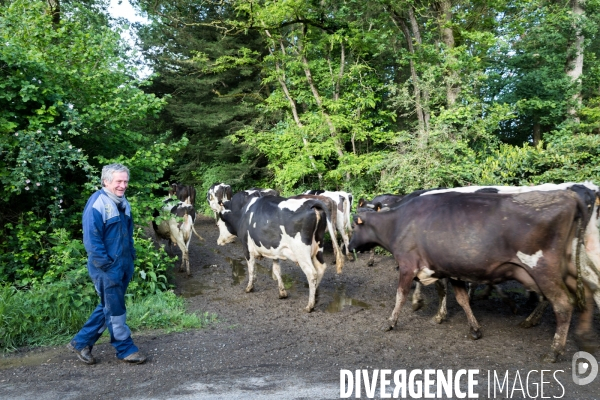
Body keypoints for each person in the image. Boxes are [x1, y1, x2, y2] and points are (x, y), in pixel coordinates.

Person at [67, 163, 146, 365]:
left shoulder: (123, 202)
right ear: (106, 181)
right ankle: (125, 348)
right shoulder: (97, 203)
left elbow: (127, 235)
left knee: (109, 306)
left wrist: (131, 259)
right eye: (118, 181)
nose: (123, 185)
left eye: (125, 181)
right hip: (106, 268)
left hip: (123, 265)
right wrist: (107, 265)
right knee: (116, 309)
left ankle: (81, 342)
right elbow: (92, 241)